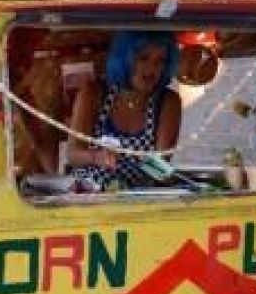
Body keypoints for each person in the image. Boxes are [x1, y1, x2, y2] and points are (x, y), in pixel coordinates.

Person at [66, 31, 181, 190]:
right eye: (143, 58)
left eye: (160, 61)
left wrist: (155, 175)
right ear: (124, 59)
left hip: (137, 199)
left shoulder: (168, 101)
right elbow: (72, 154)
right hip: (87, 193)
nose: (151, 68)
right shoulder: (94, 93)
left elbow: (160, 166)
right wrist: (97, 157)